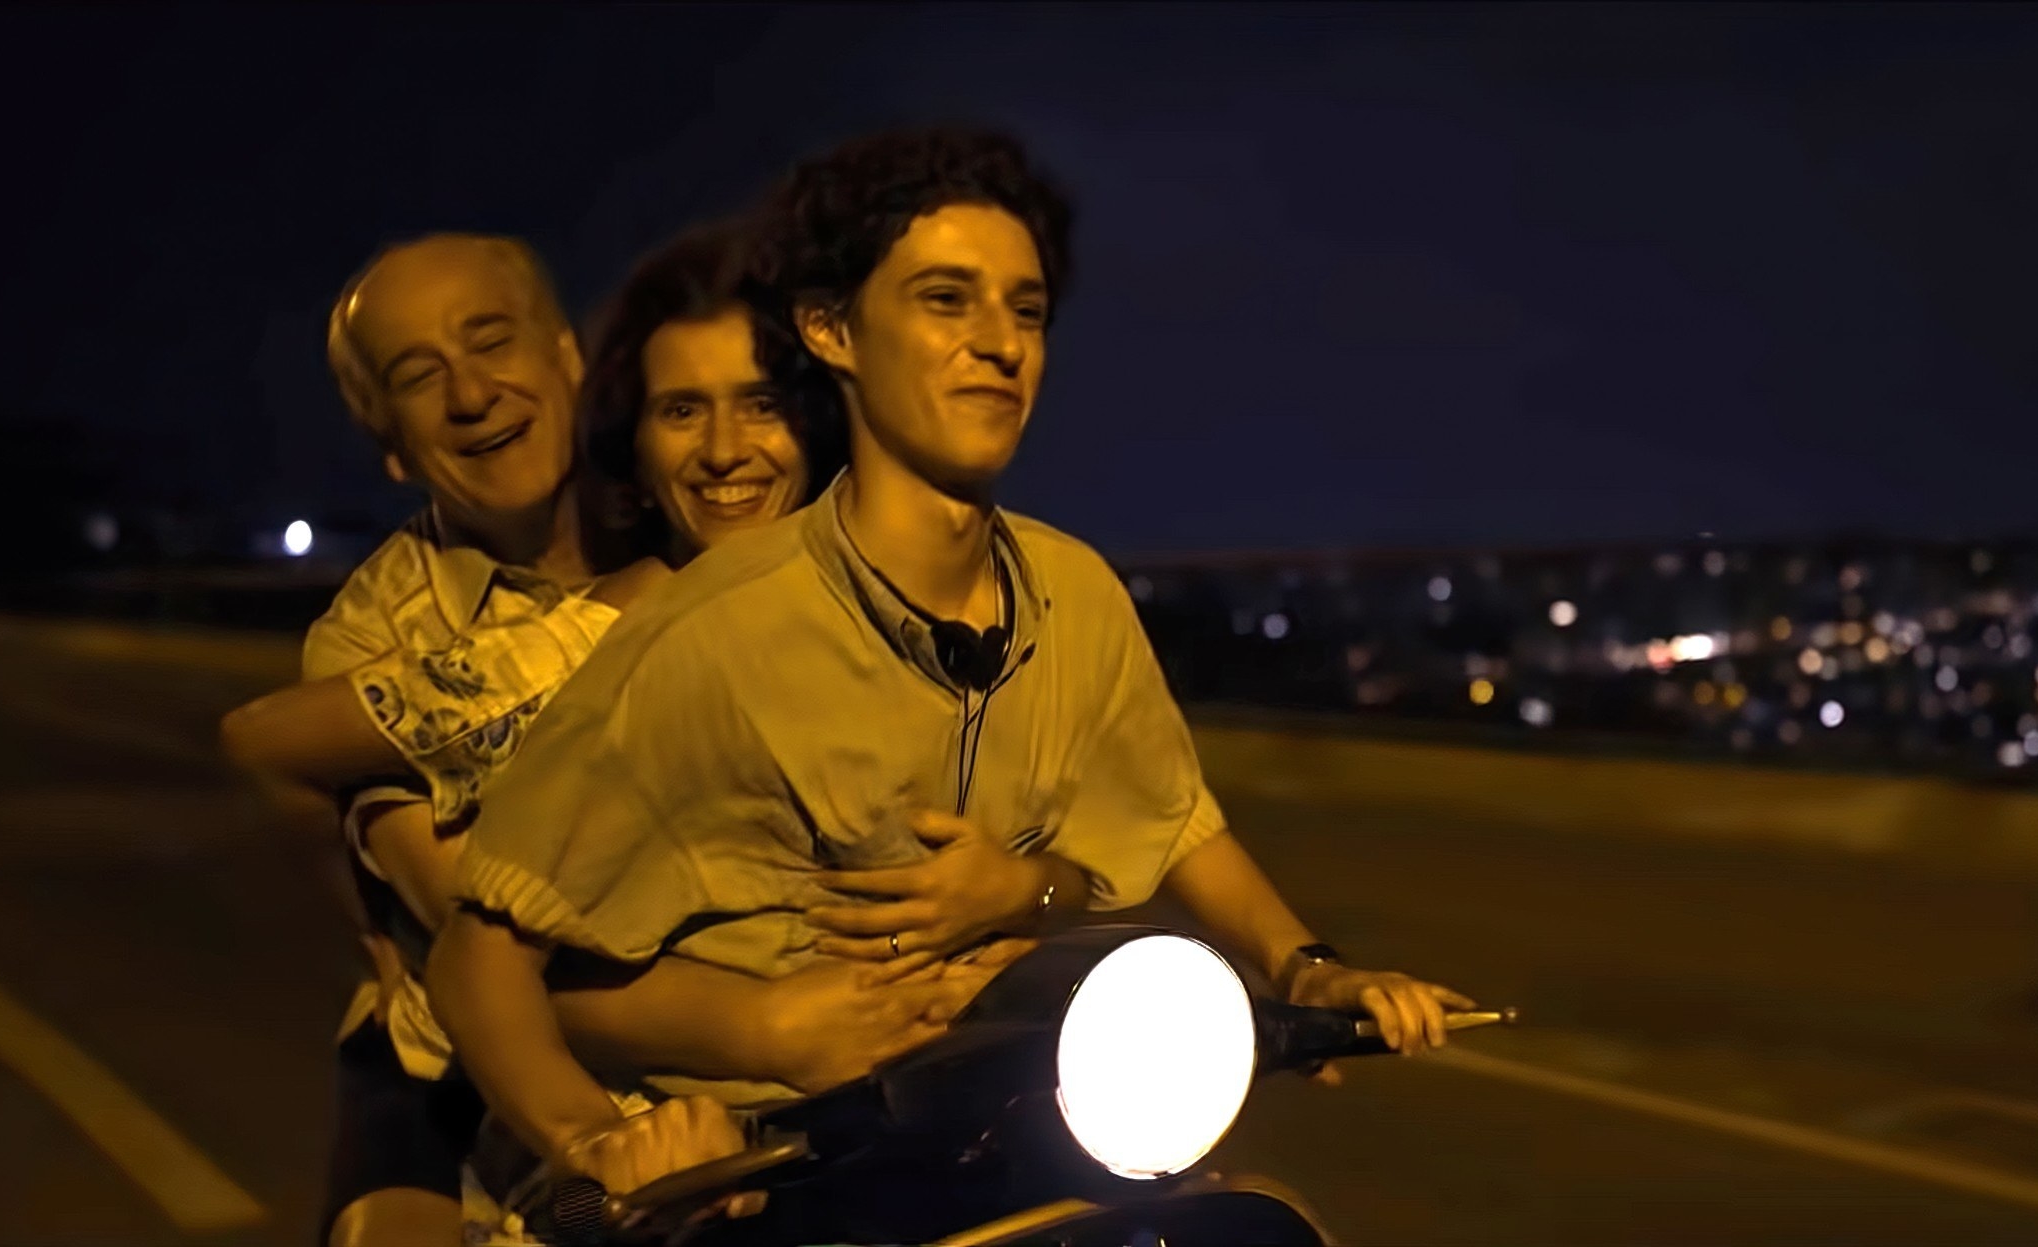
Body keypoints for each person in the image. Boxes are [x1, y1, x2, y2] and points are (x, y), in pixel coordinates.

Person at [426, 128, 1471, 1207]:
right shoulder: (713, 635)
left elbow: (1173, 815)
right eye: (945, 299)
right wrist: (607, 1141)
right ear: (832, 329)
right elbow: (478, 958)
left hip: (995, 1132)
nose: (999, 342)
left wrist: (1308, 965)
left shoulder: (1075, 592)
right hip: (758, 1177)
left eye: (1024, 309)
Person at [223, 229, 987, 1246]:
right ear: (391, 442)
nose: (471, 392)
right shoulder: (378, 636)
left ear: (570, 356)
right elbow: (493, 933)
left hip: (798, 1058)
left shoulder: (696, 496)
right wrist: (758, 1021)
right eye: (419, 374)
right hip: (478, 1072)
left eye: (491, 340)